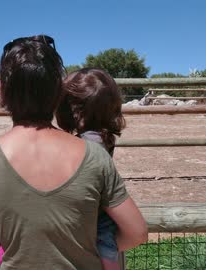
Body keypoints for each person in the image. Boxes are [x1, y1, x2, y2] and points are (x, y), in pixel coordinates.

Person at [0, 35, 148, 269]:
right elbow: (137, 232)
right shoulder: (94, 156)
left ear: (2, 91)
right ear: (59, 92)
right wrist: (95, 246)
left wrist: (8, 232)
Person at [56, 68, 127, 270]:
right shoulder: (105, 137)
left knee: (102, 234)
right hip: (103, 209)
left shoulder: (83, 144)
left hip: (91, 219)